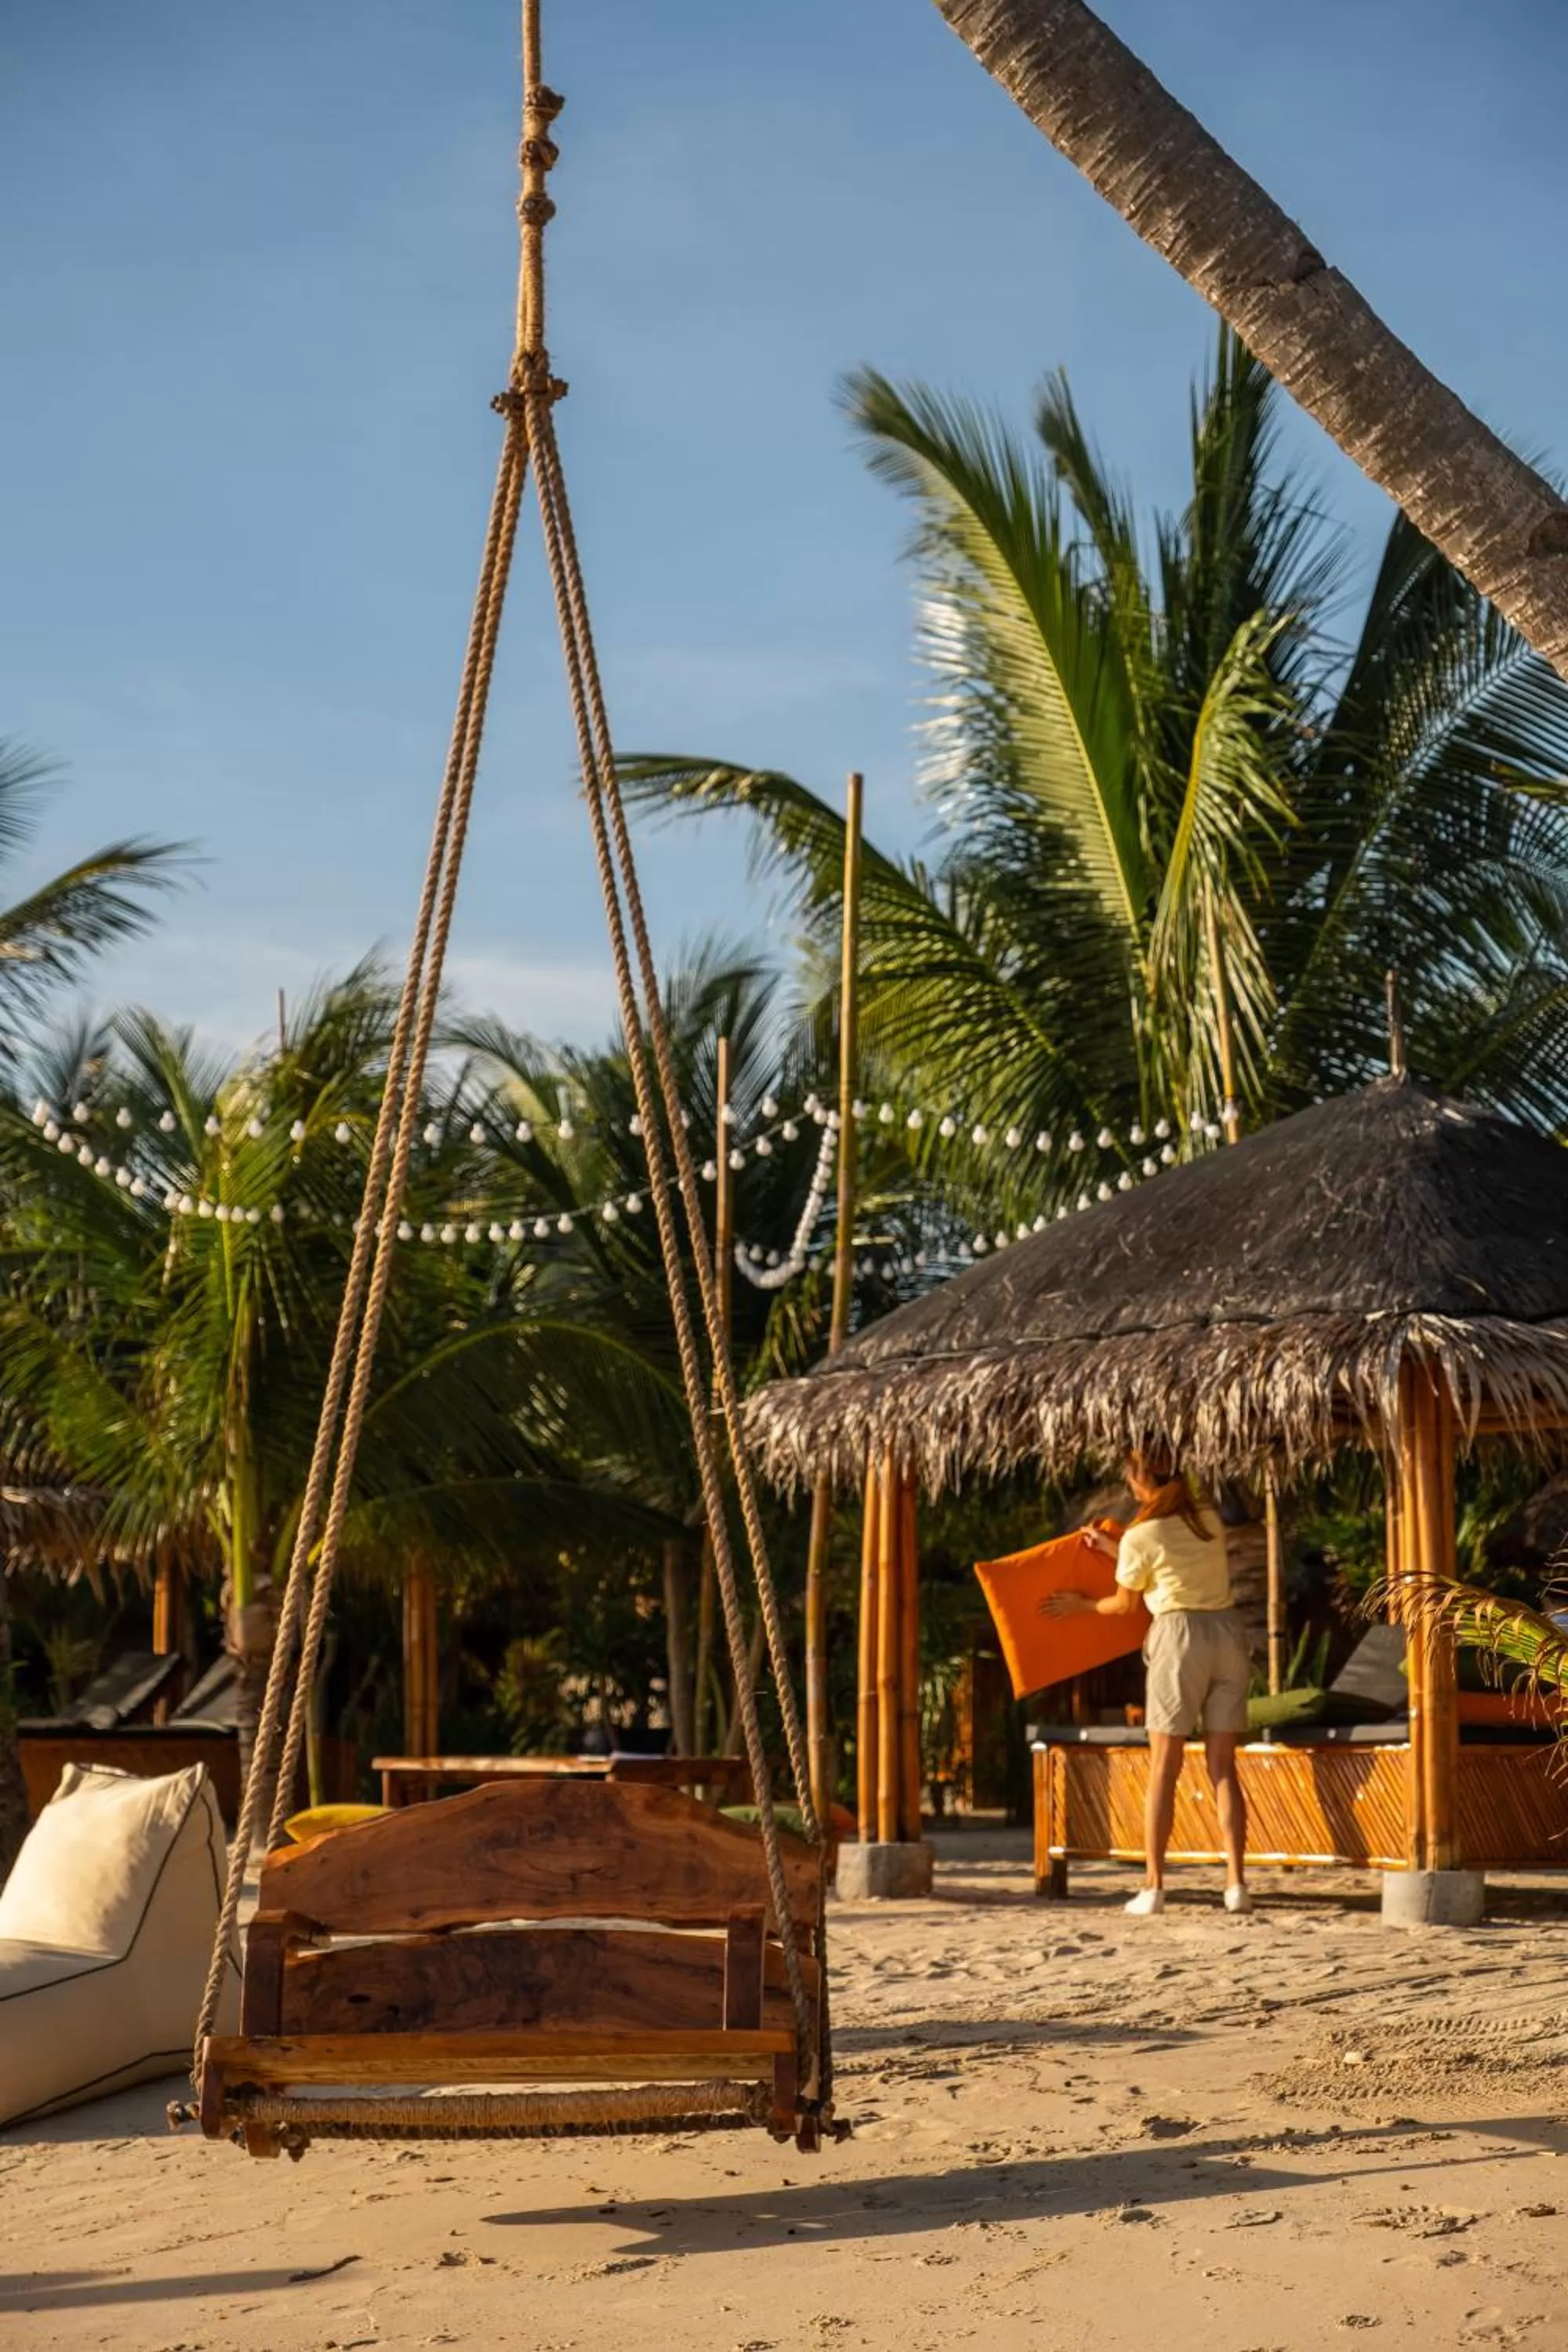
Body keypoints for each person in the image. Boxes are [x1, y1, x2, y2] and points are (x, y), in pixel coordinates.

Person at [1042, 1446, 1252, 1918]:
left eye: (1131, 1482)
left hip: (1179, 1638)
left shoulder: (1142, 1534)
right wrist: (1114, 1551)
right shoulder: (1207, 1520)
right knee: (1223, 1768)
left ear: (1142, 1484)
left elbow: (1125, 1605)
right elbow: (1170, 1560)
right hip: (1226, 1633)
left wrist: (1079, 1606)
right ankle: (1237, 1885)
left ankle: (1154, 1887)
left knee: (1164, 1766)